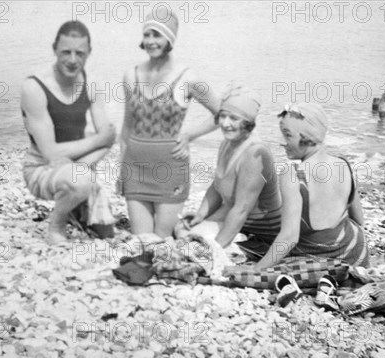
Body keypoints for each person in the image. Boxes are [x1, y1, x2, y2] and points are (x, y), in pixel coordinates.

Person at [118, 10, 220, 238]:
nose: (151, 41)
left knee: (162, 239)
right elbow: (126, 127)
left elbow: (222, 113)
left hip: (171, 169)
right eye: (147, 34)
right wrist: (121, 169)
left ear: (170, 39)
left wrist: (190, 135)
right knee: (143, 241)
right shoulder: (130, 75)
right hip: (135, 168)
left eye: (158, 35)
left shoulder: (187, 77)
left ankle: (182, 235)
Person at [242, 103, 369, 271]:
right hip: (356, 254)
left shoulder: (293, 174)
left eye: (287, 135)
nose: (281, 142)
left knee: (255, 242)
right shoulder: (343, 164)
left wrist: (256, 269)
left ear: (307, 138)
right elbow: (358, 220)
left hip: (319, 258)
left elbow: (289, 238)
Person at [21, 21, 116, 244]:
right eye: (66, 52)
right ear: (54, 49)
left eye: (80, 53)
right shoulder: (34, 87)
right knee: (80, 181)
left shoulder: (92, 84)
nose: (73, 60)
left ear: (89, 53)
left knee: (105, 233)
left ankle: (75, 197)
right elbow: (50, 153)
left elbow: (108, 139)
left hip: (77, 163)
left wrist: (79, 164)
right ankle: (57, 223)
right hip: (40, 169)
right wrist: (98, 140)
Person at [176, 85, 282, 260]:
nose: (225, 123)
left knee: (191, 244)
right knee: (181, 228)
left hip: (260, 227)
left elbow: (242, 209)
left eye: (233, 118)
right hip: (232, 211)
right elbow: (217, 186)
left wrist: (215, 250)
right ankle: (232, 245)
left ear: (248, 123)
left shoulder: (255, 154)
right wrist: (201, 214)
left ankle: (241, 246)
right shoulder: (227, 143)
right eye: (223, 116)